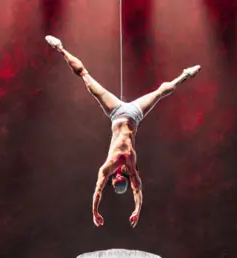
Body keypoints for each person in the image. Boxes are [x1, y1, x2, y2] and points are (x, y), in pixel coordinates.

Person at [44, 35, 200, 228]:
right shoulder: (131, 166)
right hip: (134, 115)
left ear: (112, 181)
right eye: (122, 182)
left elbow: (98, 190)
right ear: (126, 179)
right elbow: (137, 190)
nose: (119, 179)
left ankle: (60, 48)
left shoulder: (107, 167)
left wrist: (95, 212)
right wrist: (137, 210)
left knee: (85, 76)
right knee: (160, 93)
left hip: (116, 113)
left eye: (116, 182)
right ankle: (185, 75)